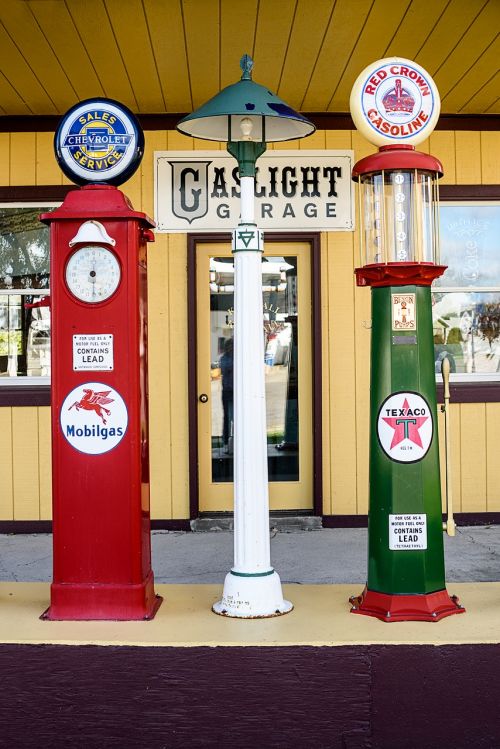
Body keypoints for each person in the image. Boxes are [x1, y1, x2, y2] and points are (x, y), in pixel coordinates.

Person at [220, 338, 234, 453]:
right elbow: (226, 369)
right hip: (228, 391)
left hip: (234, 390)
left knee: (236, 417)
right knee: (227, 417)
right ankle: (226, 442)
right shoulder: (224, 358)